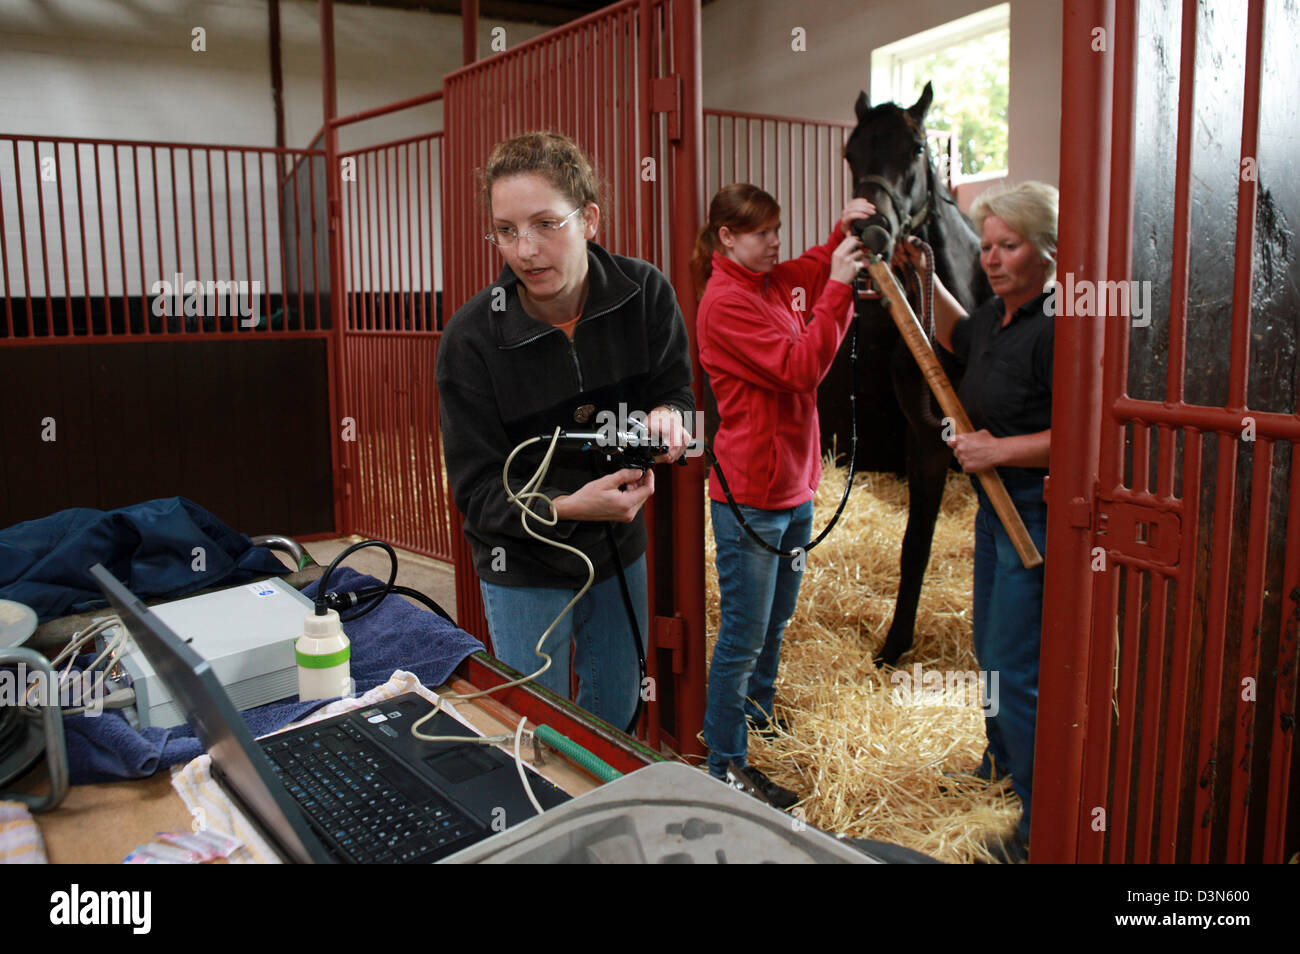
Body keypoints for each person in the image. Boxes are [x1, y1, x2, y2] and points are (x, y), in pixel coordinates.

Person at [435, 132, 693, 732]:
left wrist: (671, 416)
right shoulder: (472, 340)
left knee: (615, 716)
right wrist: (565, 506)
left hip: (618, 551)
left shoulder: (646, 293)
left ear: (590, 219)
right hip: (523, 560)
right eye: (505, 230)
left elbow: (675, 392)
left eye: (546, 223)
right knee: (536, 728)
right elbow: (476, 492)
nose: (524, 250)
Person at [693, 183, 873, 807]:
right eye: (763, 233)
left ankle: (759, 716)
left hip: (793, 489)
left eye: (777, 229)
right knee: (743, 631)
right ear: (727, 237)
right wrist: (843, 288)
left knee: (775, 622)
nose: (776, 243)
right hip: (750, 499)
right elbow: (801, 368)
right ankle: (725, 760)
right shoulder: (725, 304)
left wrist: (840, 233)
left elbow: (811, 267)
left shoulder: (770, 282)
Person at [899, 180, 1058, 861]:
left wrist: (998, 449)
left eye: (1009, 246)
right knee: (989, 650)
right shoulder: (998, 316)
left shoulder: (1059, 327)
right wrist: (921, 273)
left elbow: (1081, 431)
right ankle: (998, 764)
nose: (992, 259)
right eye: (987, 246)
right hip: (993, 513)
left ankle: (1037, 826)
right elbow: (954, 332)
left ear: (1047, 251)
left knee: (1015, 665)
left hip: (1032, 509)